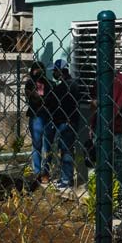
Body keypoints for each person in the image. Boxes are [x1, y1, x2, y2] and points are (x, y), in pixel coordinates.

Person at [45, 59, 81, 189]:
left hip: (66, 122)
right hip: (66, 122)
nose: (53, 73)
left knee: (66, 151)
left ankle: (66, 179)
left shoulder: (65, 87)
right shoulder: (71, 85)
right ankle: (65, 177)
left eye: (55, 71)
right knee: (65, 150)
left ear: (61, 71)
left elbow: (55, 103)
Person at [25, 61, 52, 182]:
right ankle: (37, 172)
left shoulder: (49, 84)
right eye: (36, 69)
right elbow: (34, 98)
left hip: (47, 117)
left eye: (41, 69)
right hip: (36, 116)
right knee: (37, 145)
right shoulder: (30, 83)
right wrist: (40, 97)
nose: (38, 72)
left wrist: (42, 98)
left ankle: (45, 172)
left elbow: (49, 99)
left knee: (47, 146)